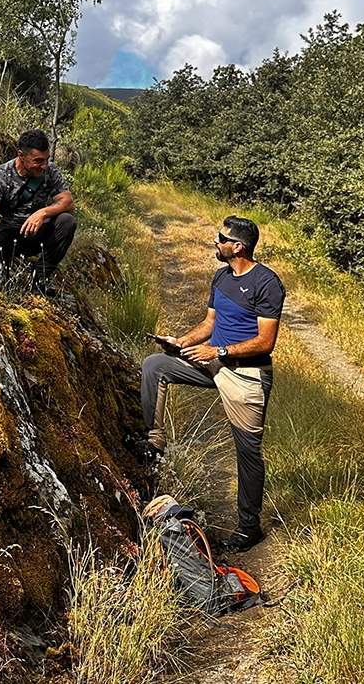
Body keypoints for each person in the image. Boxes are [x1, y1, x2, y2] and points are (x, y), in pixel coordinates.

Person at [138, 216, 284, 552]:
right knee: (155, 365)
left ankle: (249, 527)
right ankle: (153, 441)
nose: (215, 242)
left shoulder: (267, 283)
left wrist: (218, 350)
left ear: (238, 247)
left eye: (221, 238)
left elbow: (265, 342)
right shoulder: (221, 276)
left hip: (246, 375)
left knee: (248, 453)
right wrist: (181, 342)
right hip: (212, 364)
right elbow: (209, 323)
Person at [0, 129, 76, 293]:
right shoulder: (2, 175)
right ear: (21, 155)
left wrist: (42, 213)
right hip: (7, 237)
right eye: (38, 161)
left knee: (67, 222)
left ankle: (39, 280)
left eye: (46, 160)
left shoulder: (49, 171)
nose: (44, 166)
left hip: (34, 232)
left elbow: (67, 201)